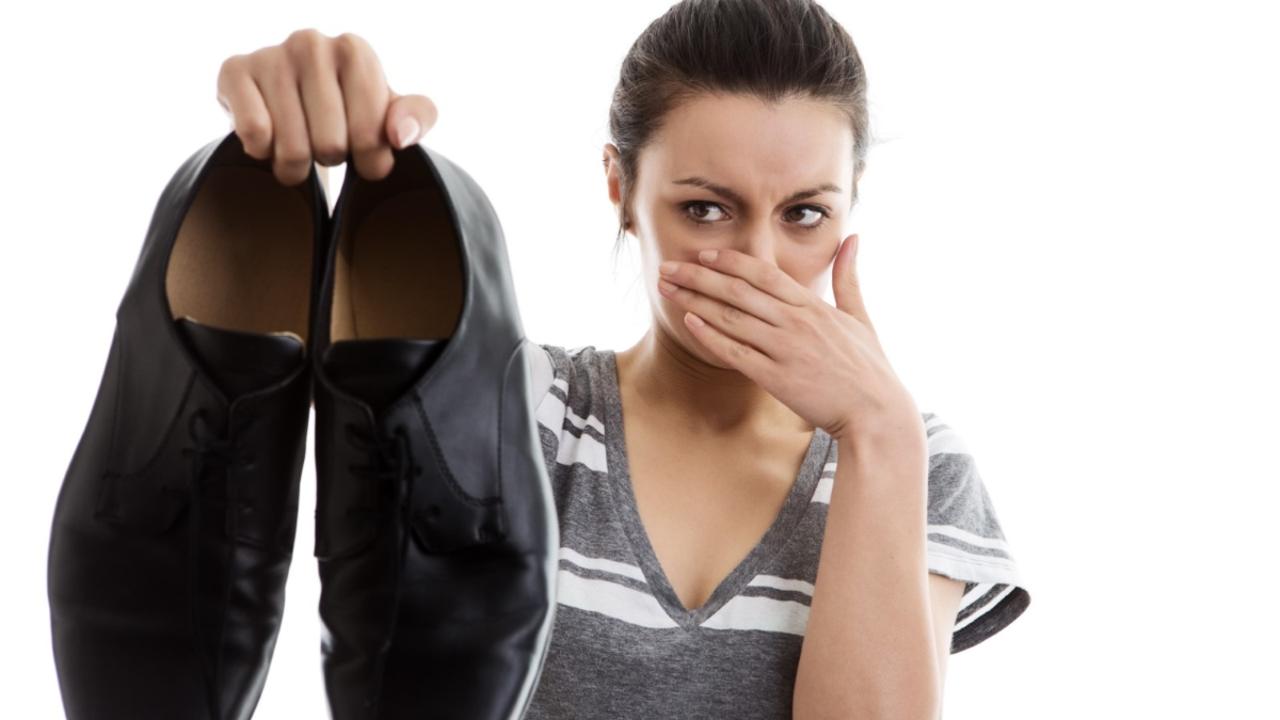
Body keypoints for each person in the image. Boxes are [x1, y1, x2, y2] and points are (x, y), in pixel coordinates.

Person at [217, 2, 1031, 717]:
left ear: (852, 197)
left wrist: (879, 427)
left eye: (805, 214)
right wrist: (289, 121)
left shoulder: (916, 462)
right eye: (705, 209)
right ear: (621, 187)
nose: (759, 263)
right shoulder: (524, 411)